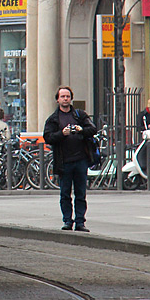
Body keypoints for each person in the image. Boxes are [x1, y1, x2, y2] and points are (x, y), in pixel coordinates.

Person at [44, 86, 97, 232]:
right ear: (57, 99)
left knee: (81, 193)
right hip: (64, 161)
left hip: (80, 159)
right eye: (62, 97)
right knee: (65, 193)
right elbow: (48, 137)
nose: (65, 99)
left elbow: (93, 130)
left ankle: (80, 221)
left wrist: (81, 130)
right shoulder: (53, 119)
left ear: (71, 98)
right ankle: (67, 220)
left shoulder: (79, 115)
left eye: (67, 96)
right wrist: (62, 133)